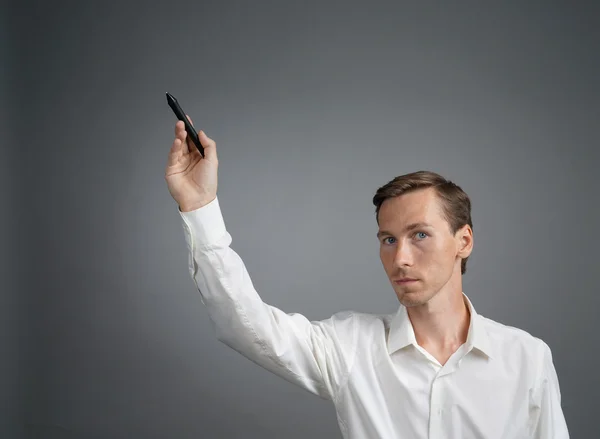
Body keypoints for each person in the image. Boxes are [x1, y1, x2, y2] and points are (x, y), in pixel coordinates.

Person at [165, 117, 570, 439]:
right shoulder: (351, 347)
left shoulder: (527, 359)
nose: (401, 258)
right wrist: (200, 206)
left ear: (463, 241)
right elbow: (245, 323)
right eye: (388, 239)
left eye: (420, 235)